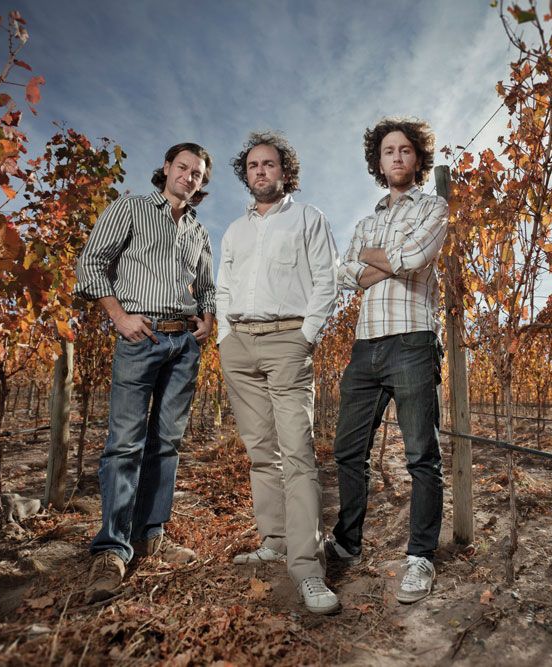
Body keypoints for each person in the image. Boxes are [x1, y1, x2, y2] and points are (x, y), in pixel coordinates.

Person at [75, 142, 216, 603]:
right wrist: (118, 316)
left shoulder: (198, 230)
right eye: (183, 167)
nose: (189, 177)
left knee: (167, 443)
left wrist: (208, 318)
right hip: (141, 336)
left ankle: (151, 534)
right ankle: (111, 550)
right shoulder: (131, 208)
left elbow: (207, 286)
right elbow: (91, 263)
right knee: (124, 444)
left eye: (198, 173)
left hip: (183, 344)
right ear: (167, 168)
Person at [216, 131, 341, 615]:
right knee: (260, 453)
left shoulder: (308, 218)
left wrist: (306, 334)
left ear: (284, 172)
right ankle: (274, 540)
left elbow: (327, 278)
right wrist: (224, 336)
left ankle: (307, 567)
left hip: (288, 339)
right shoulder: (234, 230)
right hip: (239, 344)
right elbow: (223, 287)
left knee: (298, 454)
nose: (261, 171)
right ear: (245, 174)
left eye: (269, 164)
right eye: (253, 165)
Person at [328, 117, 448, 604]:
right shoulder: (366, 222)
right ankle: (347, 543)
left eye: (405, 150)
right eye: (388, 152)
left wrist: (375, 259)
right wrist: (389, 259)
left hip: (413, 340)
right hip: (366, 345)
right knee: (347, 450)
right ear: (378, 163)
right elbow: (345, 275)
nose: (397, 157)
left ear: (418, 158)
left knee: (421, 455)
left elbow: (415, 258)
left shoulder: (434, 206)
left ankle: (420, 557)